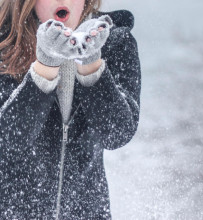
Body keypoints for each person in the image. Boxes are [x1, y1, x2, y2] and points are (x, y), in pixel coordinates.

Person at [0, 0, 141, 219]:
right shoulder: (5, 44)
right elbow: (8, 139)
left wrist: (91, 64)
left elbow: (117, 133)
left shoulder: (115, 43)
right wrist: (45, 65)